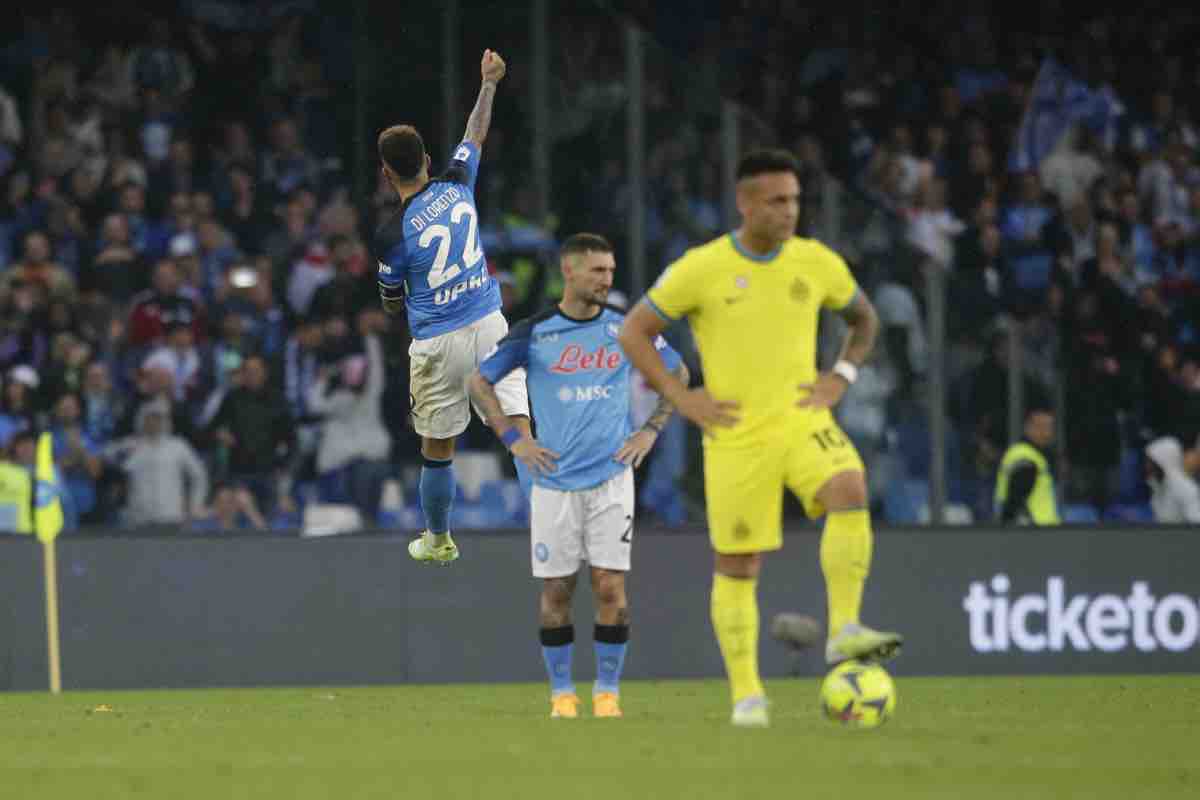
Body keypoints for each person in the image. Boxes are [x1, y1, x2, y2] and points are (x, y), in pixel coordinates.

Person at [618, 149, 902, 728]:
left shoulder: (816, 262)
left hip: (802, 419)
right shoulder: (702, 267)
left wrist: (840, 377)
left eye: (795, 199)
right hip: (735, 436)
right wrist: (684, 398)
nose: (789, 210)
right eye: (777, 200)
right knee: (738, 565)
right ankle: (748, 696)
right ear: (745, 203)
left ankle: (844, 628)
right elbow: (634, 332)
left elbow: (864, 321)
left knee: (850, 486)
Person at [468, 233, 687, 720]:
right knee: (557, 591)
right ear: (570, 272)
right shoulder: (536, 332)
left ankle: (607, 694)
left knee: (611, 587)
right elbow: (478, 381)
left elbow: (679, 373)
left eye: (610, 271)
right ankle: (562, 694)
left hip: (612, 479)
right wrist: (514, 440)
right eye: (598, 272)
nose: (607, 280)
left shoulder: (627, 328)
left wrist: (651, 430)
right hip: (553, 483)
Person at [375, 49, 531, 564]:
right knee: (518, 432)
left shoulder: (391, 235)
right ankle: (554, 525)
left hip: (438, 342)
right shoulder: (458, 183)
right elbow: (475, 135)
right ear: (425, 160)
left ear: (385, 173)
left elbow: (392, 303)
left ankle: (439, 539)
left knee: (438, 450)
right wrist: (488, 83)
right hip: (489, 325)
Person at [994, 406, 1061, 526]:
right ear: (1028, 428)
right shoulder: (1025, 456)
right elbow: (1014, 502)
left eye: (1050, 427)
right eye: (1042, 427)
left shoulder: (1036, 454)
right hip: (1033, 532)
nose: (1047, 432)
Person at [1144, 435, 1200, 524]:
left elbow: (1196, 527)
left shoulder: (1186, 489)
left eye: (1152, 462)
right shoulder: (1158, 488)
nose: (1147, 466)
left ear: (1163, 461)